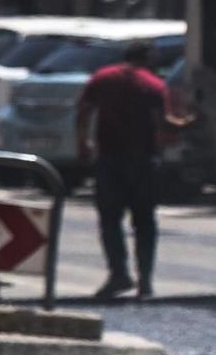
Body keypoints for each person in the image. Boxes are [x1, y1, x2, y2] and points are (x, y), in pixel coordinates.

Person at [76, 40, 191, 299]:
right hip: (142, 161)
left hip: (109, 158)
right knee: (144, 222)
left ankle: (119, 274)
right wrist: (186, 122)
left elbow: (83, 112)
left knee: (110, 221)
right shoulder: (153, 85)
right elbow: (163, 123)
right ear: (148, 60)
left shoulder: (102, 78)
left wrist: (82, 143)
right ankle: (145, 282)